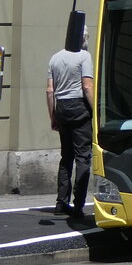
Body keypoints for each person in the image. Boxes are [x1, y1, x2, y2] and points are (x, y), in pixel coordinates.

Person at [46, 28, 93, 220]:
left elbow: (50, 91)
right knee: (83, 156)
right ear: (82, 38)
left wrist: (53, 116)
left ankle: (60, 202)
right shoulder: (84, 56)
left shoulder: (54, 58)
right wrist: (96, 112)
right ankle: (78, 204)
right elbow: (87, 86)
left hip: (62, 108)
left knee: (66, 157)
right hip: (80, 107)